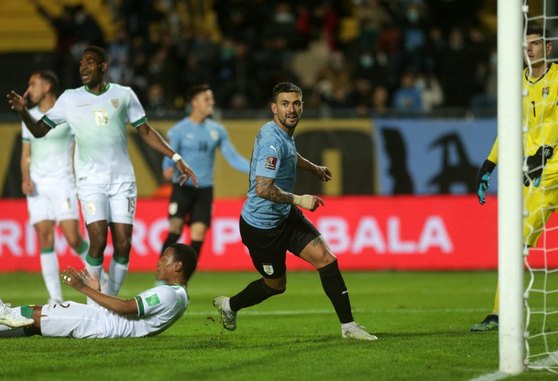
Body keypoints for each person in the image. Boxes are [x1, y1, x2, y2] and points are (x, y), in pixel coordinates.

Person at [7, 46, 198, 297]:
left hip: (122, 181)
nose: (83, 67)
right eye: (81, 64)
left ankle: (111, 299)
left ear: (103, 66)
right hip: (90, 181)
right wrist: (22, 110)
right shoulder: (69, 99)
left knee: (123, 244)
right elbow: (40, 130)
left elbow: (147, 132)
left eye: (89, 63)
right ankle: (96, 300)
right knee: (97, 239)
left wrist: (175, 156)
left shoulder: (124, 95)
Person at [212, 82, 377, 341]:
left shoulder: (280, 133)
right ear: (274, 108)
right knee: (275, 286)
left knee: (326, 258)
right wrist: (300, 200)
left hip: (284, 216)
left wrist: (314, 168)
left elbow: (290, 155)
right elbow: (263, 189)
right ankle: (230, 306)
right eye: (285, 104)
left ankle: (348, 326)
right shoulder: (271, 141)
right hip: (262, 228)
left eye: (296, 103)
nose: (292, 109)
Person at [472, 24, 558, 332]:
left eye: (535, 43)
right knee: (514, 245)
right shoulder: (517, 83)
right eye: (525, 44)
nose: (529, 49)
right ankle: (497, 314)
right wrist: (489, 165)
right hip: (536, 181)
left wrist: (543, 152)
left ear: (549, 48)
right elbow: (510, 130)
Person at [0, 243, 197, 338]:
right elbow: (131, 315)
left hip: (99, 324)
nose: (159, 262)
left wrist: (82, 287)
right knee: (34, 320)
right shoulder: (181, 297)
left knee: (33, 315)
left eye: (164, 258)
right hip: (104, 324)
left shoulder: (167, 294)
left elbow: (125, 308)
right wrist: (98, 293)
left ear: (177, 266)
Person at [20, 70, 90, 304]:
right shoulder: (28, 116)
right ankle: (55, 298)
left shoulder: (67, 115)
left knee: (72, 238)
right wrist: (25, 177)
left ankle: (101, 274)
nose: (29, 89)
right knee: (45, 238)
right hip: (38, 185)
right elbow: (26, 153)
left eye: (33, 84)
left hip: (63, 183)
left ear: (48, 86)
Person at [161, 84, 250, 258]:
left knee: (198, 235)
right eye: (207, 99)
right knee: (175, 229)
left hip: (205, 190)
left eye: (212, 98)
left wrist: (255, 169)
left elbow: (232, 157)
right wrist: (167, 168)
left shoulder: (217, 130)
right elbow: (169, 155)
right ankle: (161, 273)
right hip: (183, 188)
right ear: (194, 103)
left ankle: (183, 278)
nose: (212, 102)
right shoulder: (179, 130)